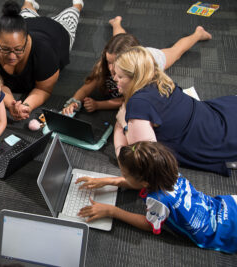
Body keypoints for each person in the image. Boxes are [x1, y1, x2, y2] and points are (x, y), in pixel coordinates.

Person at [76, 141, 237, 253]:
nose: (121, 176)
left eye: (124, 174)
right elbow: (139, 183)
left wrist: (112, 211)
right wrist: (107, 181)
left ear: (145, 182)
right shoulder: (169, 173)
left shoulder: (159, 200)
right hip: (226, 206)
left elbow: (150, 224)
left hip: (217, 232)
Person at [112, 46, 237, 176]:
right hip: (222, 115)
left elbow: (143, 162)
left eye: (120, 76)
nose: (115, 79)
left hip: (218, 143)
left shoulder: (139, 104)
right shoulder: (160, 79)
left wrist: (123, 125)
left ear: (135, 78)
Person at [62, 16, 212, 115]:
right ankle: (116, 23)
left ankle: (198, 33)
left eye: (115, 63)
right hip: (122, 50)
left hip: (150, 58)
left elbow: (125, 100)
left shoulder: (146, 68)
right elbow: (87, 86)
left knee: (176, 51)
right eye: (108, 61)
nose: (111, 68)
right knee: (118, 39)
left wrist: (98, 105)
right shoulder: (109, 58)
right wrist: (75, 101)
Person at [0, 0, 84, 120]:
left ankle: (78, 5)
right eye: (5, 49)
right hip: (27, 23)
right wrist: (11, 104)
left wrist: (27, 106)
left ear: (27, 40)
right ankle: (30, 3)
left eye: (18, 50)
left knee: (72, 13)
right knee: (25, 10)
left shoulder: (44, 51)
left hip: (56, 31)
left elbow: (43, 89)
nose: (12, 56)